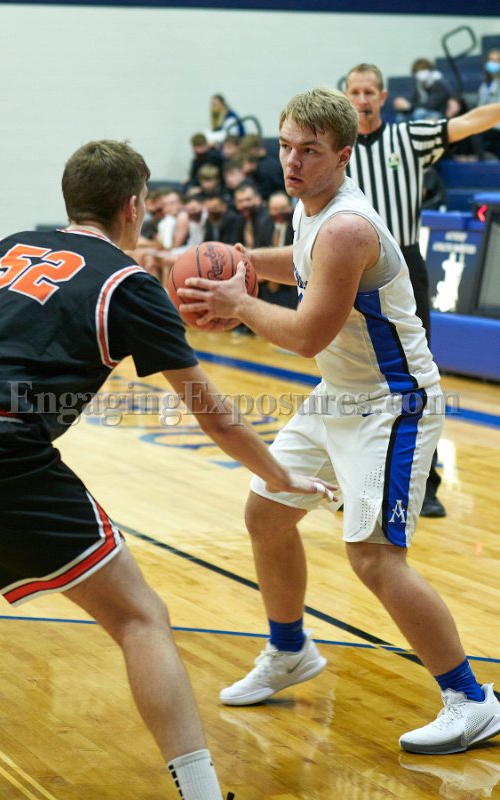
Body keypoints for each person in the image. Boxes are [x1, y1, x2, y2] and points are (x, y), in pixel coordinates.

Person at [0, 140, 333, 800]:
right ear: (134, 207)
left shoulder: (0, 249)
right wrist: (280, 477)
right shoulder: (127, 284)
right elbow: (216, 416)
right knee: (141, 618)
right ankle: (200, 793)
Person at [177, 88, 500, 756]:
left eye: (309, 151)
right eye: (284, 147)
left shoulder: (348, 226)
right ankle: (289, 650)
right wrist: (241, 263)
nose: (291, 162)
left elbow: (304, 335)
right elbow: (301, 263)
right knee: (267, 514)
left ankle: (472, 701)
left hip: (392, 401)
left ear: (344, 155)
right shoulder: (310, 210)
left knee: (374, 558)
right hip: (340, 394)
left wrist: (238, 302)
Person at [344, 62, 500, 518]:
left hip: (403, 265)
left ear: (383, 96)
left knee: (416, 376)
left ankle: (424, 482)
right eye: (355, 91)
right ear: (346, 96)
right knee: (355, 375)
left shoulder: (409, 137)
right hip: (349, 267)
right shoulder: (336, 146)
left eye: (370, 91)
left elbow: (468, 122)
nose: (363, 99)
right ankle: (356, 481)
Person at [471, 49, 500, 160]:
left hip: (496, 122)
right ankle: (480, 160)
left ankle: (482, 161)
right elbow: (480, 104)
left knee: (475, 131)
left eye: (496, 61)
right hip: (486, 121)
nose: (493, 64)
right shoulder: (485, 84)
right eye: (491, 60)